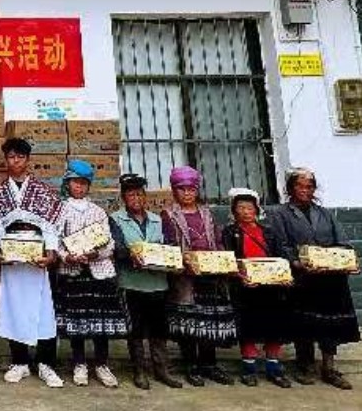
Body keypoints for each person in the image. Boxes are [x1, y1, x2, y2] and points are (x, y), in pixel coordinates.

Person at [267, 167, 361, 389]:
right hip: (303, 278)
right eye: (299, 185)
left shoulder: (325, 213)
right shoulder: (280, 214)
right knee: (304, 323)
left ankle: (329, 368)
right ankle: (305, 365)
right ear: (291, 188)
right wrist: (297, 262)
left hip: (331, 278)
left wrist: (346, 261)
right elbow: (280, 245)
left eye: (309, 186)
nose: (304, 190)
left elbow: (343, 242)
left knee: (331, 324)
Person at [0, 138, 64, 388]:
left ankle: (46, 363)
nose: (15, 161)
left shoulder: (43, 191)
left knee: (42, 311)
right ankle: (19, 362)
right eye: (11, 157)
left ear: (27, 160)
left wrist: (51, 252)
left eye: (20, 157)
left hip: (36, 258)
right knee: (13, 308)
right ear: (6, 160)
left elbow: (52, 226)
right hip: (12, 260)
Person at [54, 159, 127, 388]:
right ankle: (79, 363)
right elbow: (54, 242)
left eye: (84, 183)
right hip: (73, 271)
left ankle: (102, 364)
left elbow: (109, 244)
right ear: (68, 184)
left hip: (99, 272)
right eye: (75, 182)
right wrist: (67, 256)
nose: (80, 187)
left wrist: (97, 254)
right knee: (77, 320)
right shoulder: (60, 210)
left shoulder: (98, 211)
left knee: (100, 321)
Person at [161, 165, 236, 387]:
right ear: (174, 191)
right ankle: (191, 365)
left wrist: (222, 260)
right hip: (186, 276)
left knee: (209, 319)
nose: (187, 193)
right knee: (189, 321)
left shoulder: (206, 213)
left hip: (211, 274)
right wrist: (186, 261)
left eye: (191, 189)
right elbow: (169, 245)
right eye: (182, 189)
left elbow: (218, 239)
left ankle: (209, 365)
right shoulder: (168, 215)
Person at [110, 173, 181, 390]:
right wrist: (130, 254)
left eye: (140, 194)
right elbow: (116, 248)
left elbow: (169, 246)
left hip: (158, 283)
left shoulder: (159, 219)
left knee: (159, 329)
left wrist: (171, 259)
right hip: (131, 283)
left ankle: (162, 370)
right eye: (131, 195)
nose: (136, 199)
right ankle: (139, 370)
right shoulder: (115, 219)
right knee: (136, 330)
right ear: (124, 198)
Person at [221, 187, 293, 388]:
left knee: (273, 326)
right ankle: (249, 369)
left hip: (271, 288)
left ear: (256, 210)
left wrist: (285, 277)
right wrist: (239, 276)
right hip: (245, 287)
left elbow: (281, 257)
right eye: (241, 208)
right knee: (249, 327)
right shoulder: (229, 232)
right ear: (234, 211)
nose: (246, 211)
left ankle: (273, 368)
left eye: (249, 207)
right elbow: (227, 260)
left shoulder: (268, 232)